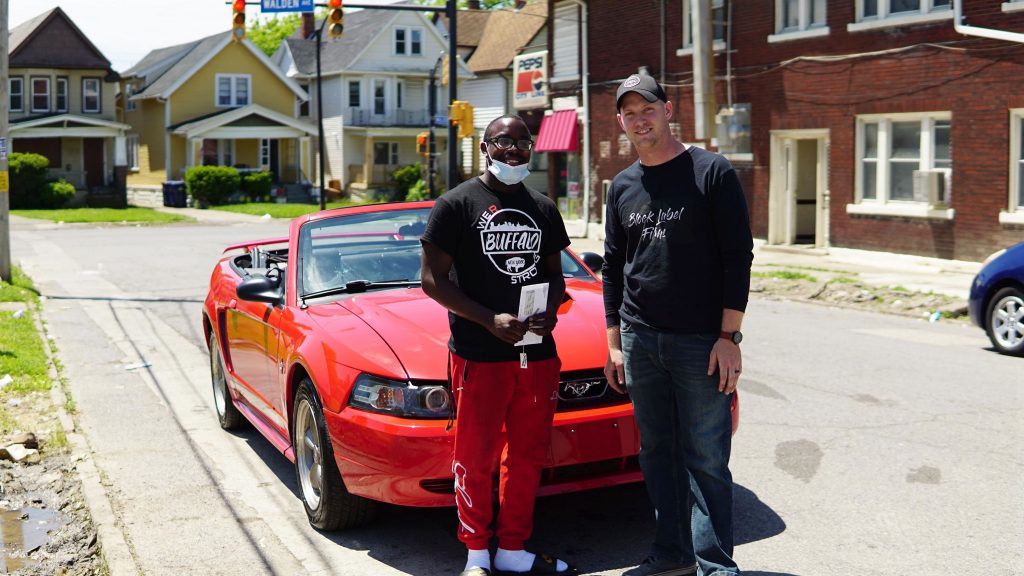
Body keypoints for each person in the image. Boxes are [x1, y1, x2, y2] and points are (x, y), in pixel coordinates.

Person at [602, 74, 753, 576]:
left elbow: (738, 257)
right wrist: (614, 343)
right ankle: (672, 557)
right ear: (620, 121)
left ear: (668, 109)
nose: (639, 119)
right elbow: (612, 266)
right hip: (639, 339)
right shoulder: (622, 186)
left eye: (647, 108)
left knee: (706, 458)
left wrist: (729, 337)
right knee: (657, 454)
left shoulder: (711, 172)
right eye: (629, 112)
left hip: (699, 342)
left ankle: (715, 567)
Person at [420, 115, 575, 576]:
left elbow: (554, 276)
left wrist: (551, 308)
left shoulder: (543, 207)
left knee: (527, 455)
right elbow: (432, 280)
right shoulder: (456, 204)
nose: (513, 151)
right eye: (503, 142)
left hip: (537, 354)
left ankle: (512, 549)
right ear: (485, 147)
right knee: (476, 454)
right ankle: (476, 553)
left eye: (522, 143)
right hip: (479, 354)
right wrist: (489, 319)